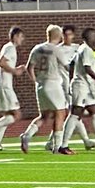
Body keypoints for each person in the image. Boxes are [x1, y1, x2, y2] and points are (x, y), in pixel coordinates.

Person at [19, 24, 71, 154]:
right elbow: (67, 66)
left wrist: (35, 81)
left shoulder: (37, 48)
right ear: (59, 36)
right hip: (53, 83)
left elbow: (29, 67)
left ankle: (27, 135)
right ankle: (57, 146)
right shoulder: (56, 49)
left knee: (44, 115)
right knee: (61, 113)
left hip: (41, 85)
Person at [63, 27, 95, 154]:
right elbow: (88, 69)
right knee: (75, 114)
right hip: (81, 86)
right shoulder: (86, 50)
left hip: (86, 86)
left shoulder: (82, 48)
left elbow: (72, 64)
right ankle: (63, 146)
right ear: (89, 38)